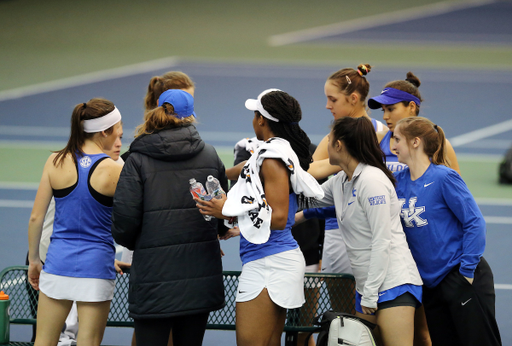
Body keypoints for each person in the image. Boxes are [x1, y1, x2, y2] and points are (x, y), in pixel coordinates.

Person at [195, 89, 324, 346]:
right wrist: (215, 172)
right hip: (273, 260)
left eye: (254, 114)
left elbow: (278, 218)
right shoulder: (273, 152)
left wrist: (227, 210)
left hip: (270, 264)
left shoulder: (272, 159)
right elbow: (243, 171)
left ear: (261, 120)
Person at [111, 89, 227, 346]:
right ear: (190, 117)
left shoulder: (137, 159)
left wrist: (144, 244)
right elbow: (220, 212)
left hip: (154, 280)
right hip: (200, 279)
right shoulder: (210, 154)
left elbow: (124, 222)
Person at [304, 116, 423, 346]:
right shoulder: (341, 180)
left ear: (338, 145)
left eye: (329, 139)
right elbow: (308, 199)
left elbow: (382, 241)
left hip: (393, 284)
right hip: (368, 286)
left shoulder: (372, 181)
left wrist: (369, 294)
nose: (325, 143)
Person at [392, 117, 502, 346]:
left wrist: (467, 273)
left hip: (459, 276)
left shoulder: (444, 177)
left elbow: (475, 222)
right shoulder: (397, 181)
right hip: (431, 286)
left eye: (397, 138)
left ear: (415, 142)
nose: (392, 144)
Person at [27, 98, 124, 346]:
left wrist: (35, 260)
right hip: (96, 267)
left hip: (57, 264)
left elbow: (36, 217)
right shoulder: (116, 168)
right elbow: (130, 219)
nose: (120, 142)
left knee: (43, 342)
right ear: (104, 131)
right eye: (118, 135)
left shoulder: (55, 161)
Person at [368, 71, 460, 174]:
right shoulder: (376, 140)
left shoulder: (440, 144)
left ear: (411, 107)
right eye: (383, 110)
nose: (385, 117)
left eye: (391, 109)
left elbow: (454, 187)